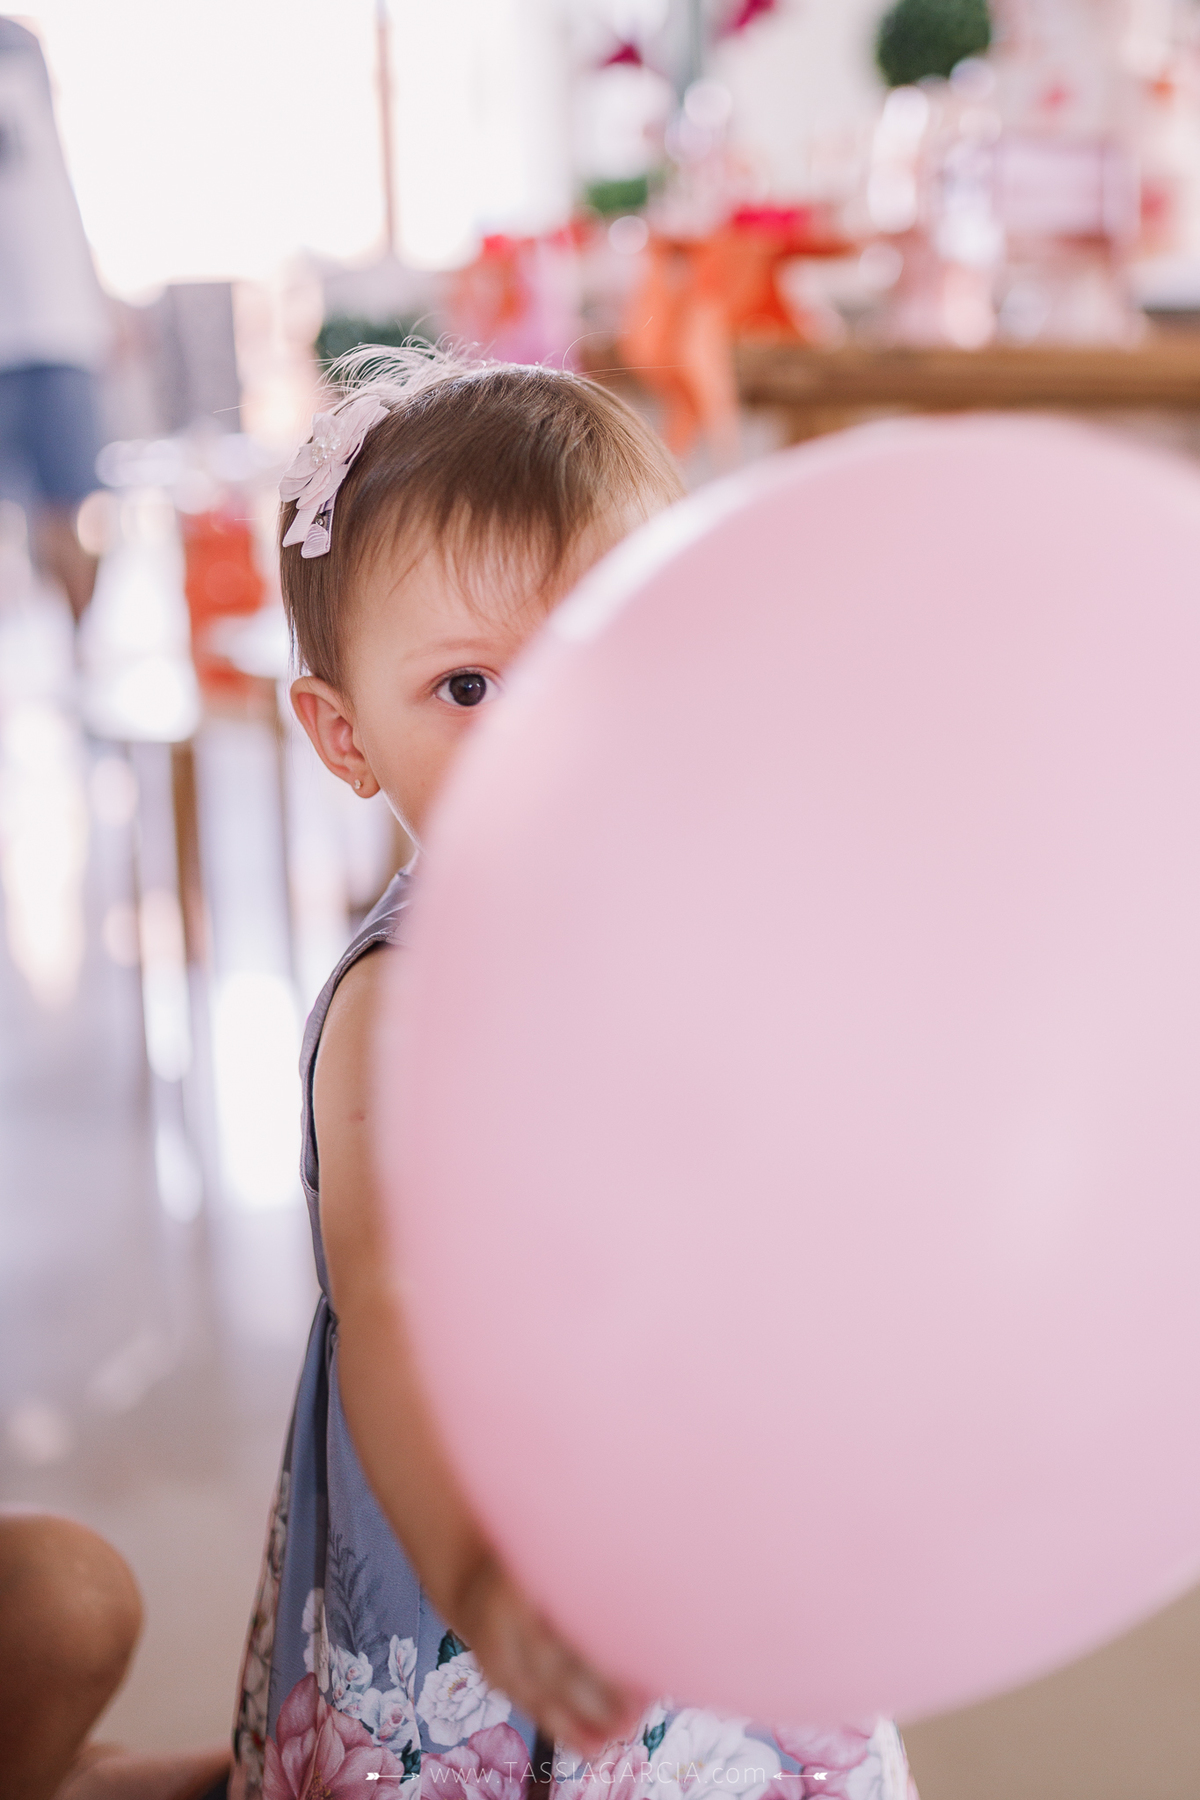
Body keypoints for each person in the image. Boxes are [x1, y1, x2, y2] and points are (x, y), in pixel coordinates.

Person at [230, 348, 917, 1800]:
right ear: (345, 733)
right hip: (491, 1578)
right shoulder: (405, 1002)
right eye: (468, 684)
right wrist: (478, 1570)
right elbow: (393, 1302)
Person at [0, 17, 106, 620]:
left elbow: (58, 186)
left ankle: (79, 658)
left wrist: (98, 301)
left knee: (67, 505)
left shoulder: (21, 46)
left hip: (56, 324)